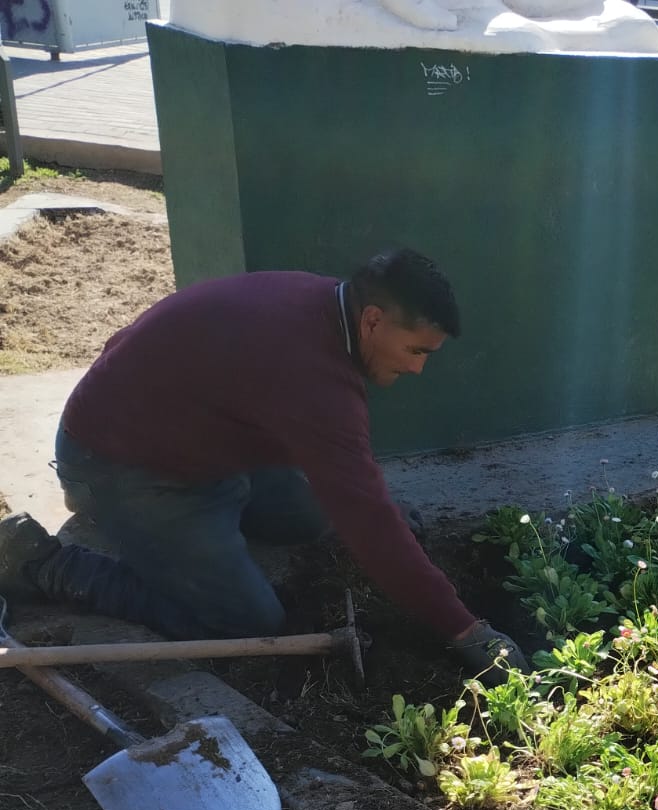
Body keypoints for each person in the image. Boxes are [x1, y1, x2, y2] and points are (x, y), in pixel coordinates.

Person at [0, 248, 528, 678]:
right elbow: (364, 515)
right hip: (126, 467)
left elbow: (345, 482)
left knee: (317, 517)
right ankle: (45, 562)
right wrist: (464, 631)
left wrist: (376, 518)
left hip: (204, 449)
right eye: (417, 351)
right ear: (373, 320)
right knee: (248, 625)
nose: (417, 369)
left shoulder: (319, 303)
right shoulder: (314, 376)